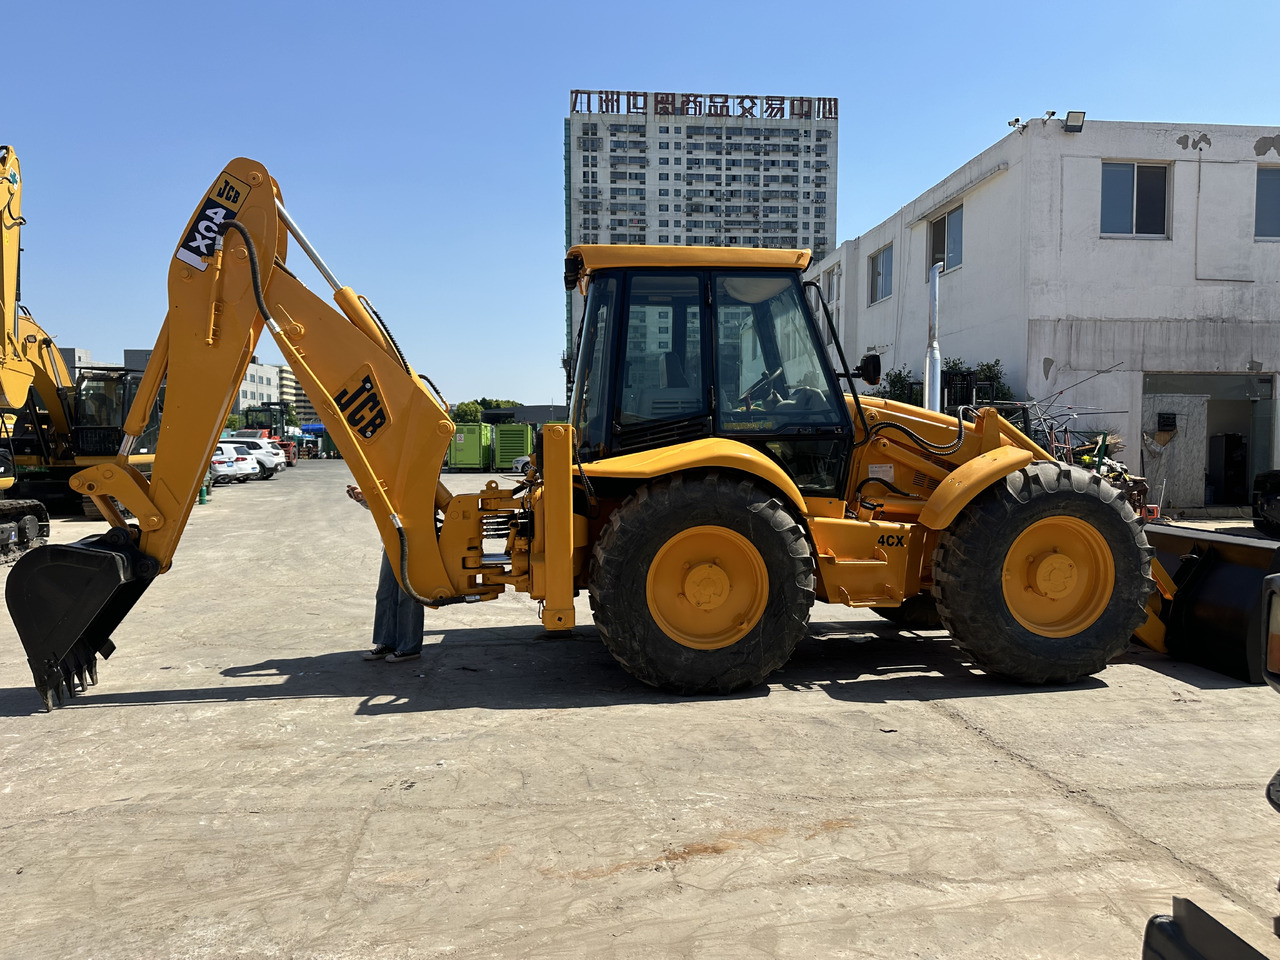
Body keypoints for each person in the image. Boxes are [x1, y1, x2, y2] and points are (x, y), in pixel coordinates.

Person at [347, 484, 424, 663]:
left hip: (414, 539)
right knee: (386, 593)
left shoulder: (413, 472)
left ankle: (409, 647)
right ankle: (387, 642)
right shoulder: (391, 471)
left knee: (407, 595)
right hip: (392, 540)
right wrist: (364, 498)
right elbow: (384, 505)